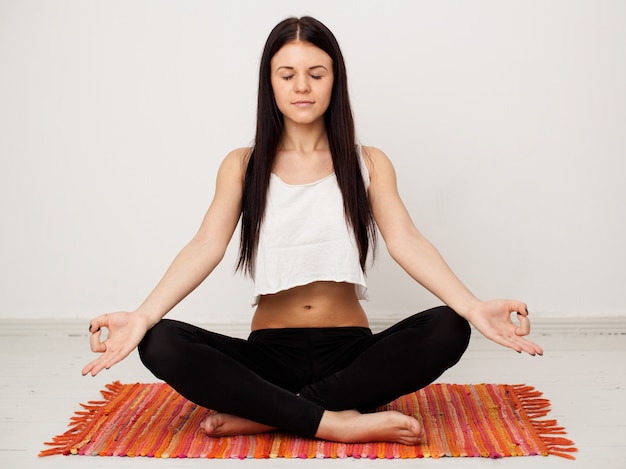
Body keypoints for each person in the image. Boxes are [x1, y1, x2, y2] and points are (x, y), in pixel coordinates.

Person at [82, 16, 543, 446]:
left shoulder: (368, 163)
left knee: (448, 327)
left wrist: (473, 305)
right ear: (270, 83)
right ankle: (334, 422)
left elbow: (406, 240)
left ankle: (273, 414)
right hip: (268, 355)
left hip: (350, 356)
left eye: (316, 73)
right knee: (161, 342)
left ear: (334, 79)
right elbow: (206, 244)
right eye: (287, 74)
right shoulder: (243, 165)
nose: (301, 85)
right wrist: (142, 316)